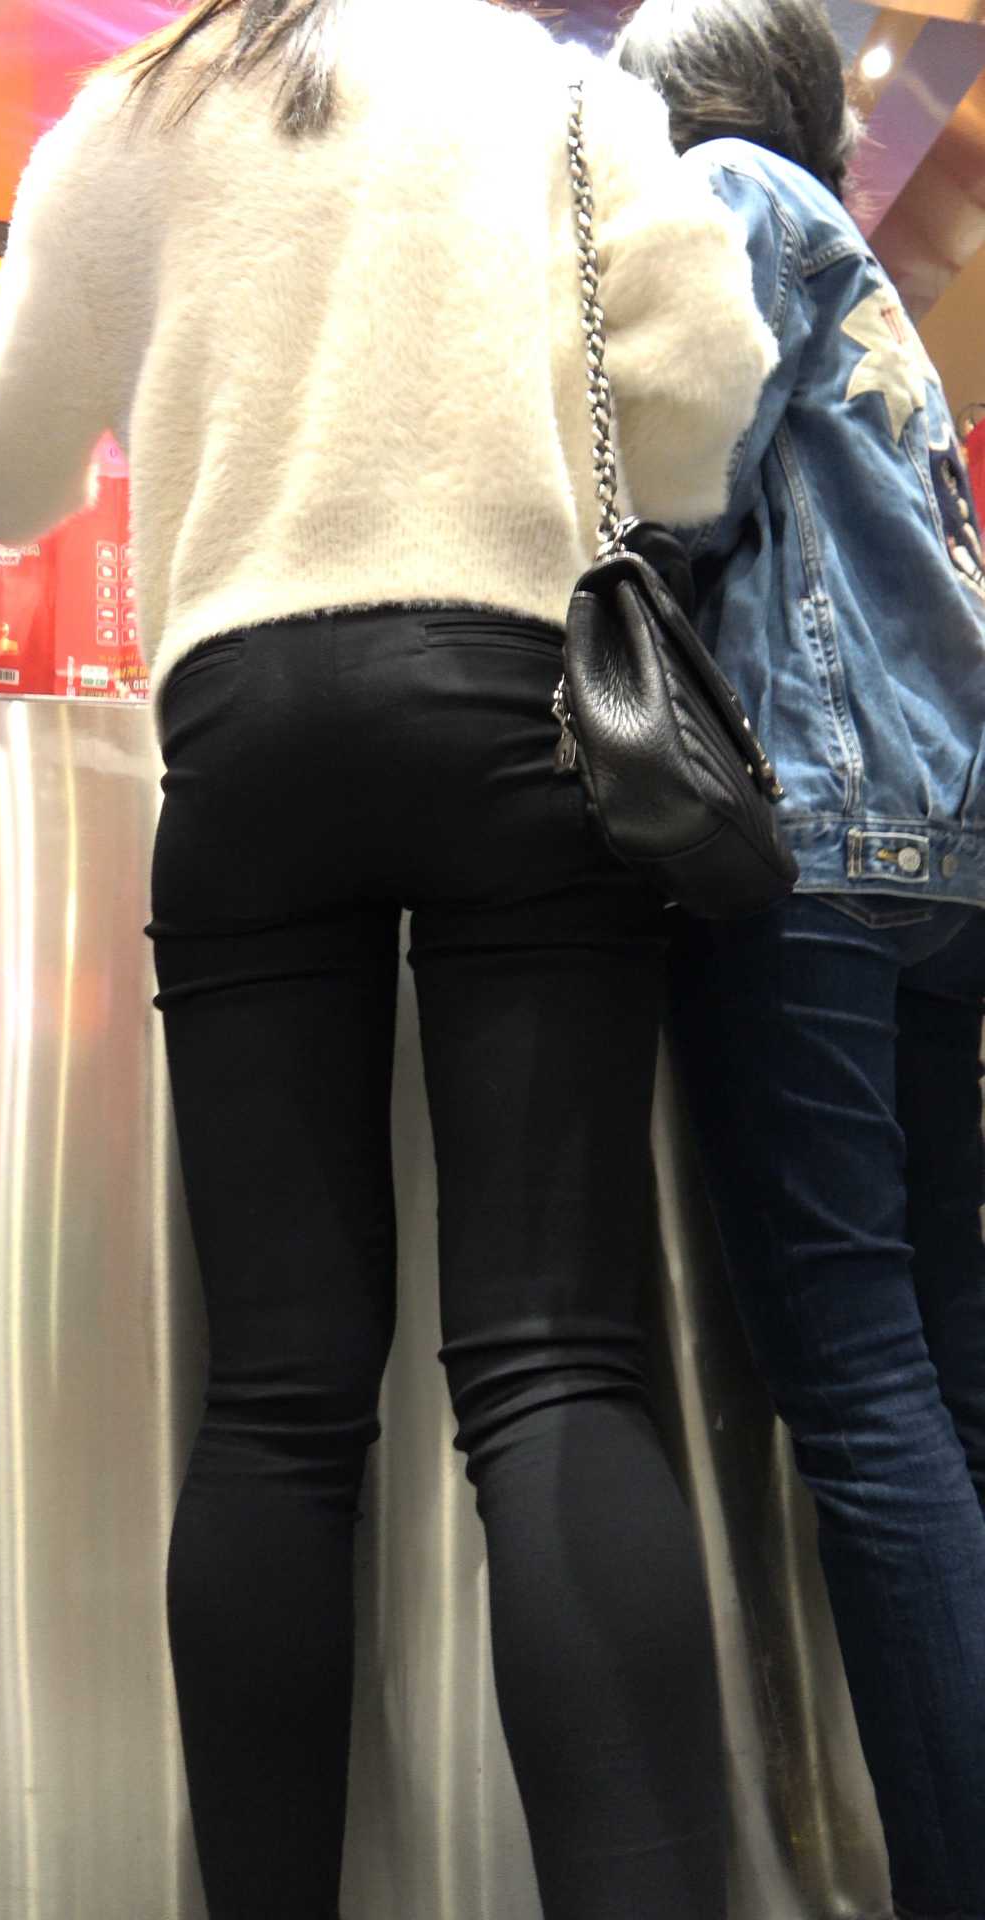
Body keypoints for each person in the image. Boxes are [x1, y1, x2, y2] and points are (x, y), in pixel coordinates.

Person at [0, 2, 776, 1914]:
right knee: (556, 1363)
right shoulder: (566, 94)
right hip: (518, 709)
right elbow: (705, 404)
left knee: (281, 1396)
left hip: (243, 735)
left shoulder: (135, 112)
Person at [615, 5, 985, 1919]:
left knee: (853, 1390)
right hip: (937, 853)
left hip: (813, 843)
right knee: (948, 1373)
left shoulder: (728, 195)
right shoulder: (878, 292)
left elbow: (679, 469)